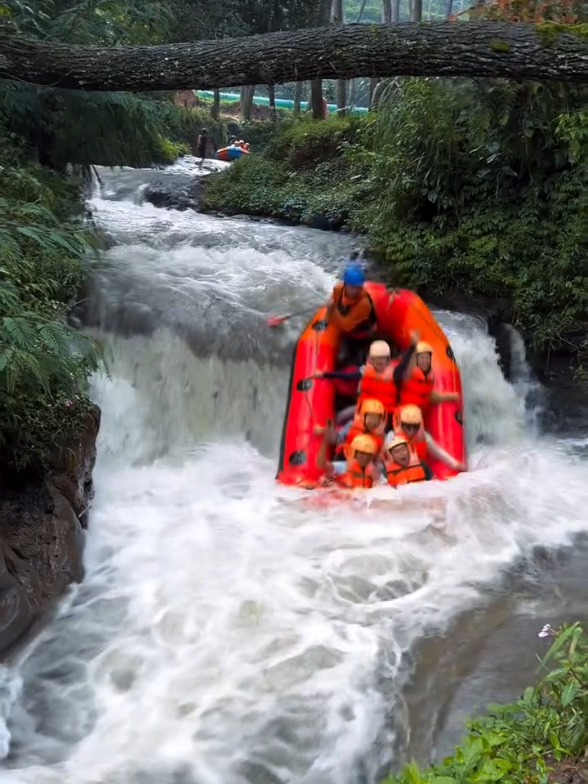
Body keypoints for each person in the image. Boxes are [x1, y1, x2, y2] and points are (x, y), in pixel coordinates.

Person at [324, 262, 377, 365]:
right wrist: (325, 322)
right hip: (348, 332)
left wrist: (332, 309)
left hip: (361, 336)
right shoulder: (338, 289)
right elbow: (331, 308)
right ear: (346, 284)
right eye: (352, 286)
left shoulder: (364, 303)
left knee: (358, 362)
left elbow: (346, 325)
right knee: (341, 359)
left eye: (358, 287)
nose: (356, 290)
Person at [392, 404, 465, 472]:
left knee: (424, 466)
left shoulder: (424, 436)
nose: (412, 430)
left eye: (415, 426)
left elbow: (439, 452)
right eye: (408, 426)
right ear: (402, 424)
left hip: (419, 472)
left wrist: (455, 464)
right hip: (400, 473)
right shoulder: (392, 438)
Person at [394, 339, 460, 413]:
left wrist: (452, 396)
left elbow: (430, 396)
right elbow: (407, 371)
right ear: (416, 359)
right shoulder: (408, 373)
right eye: (421, 358)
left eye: (426, 357)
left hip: (417, 416)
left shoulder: (428, 378)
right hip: (404, 414)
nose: (425, 361)